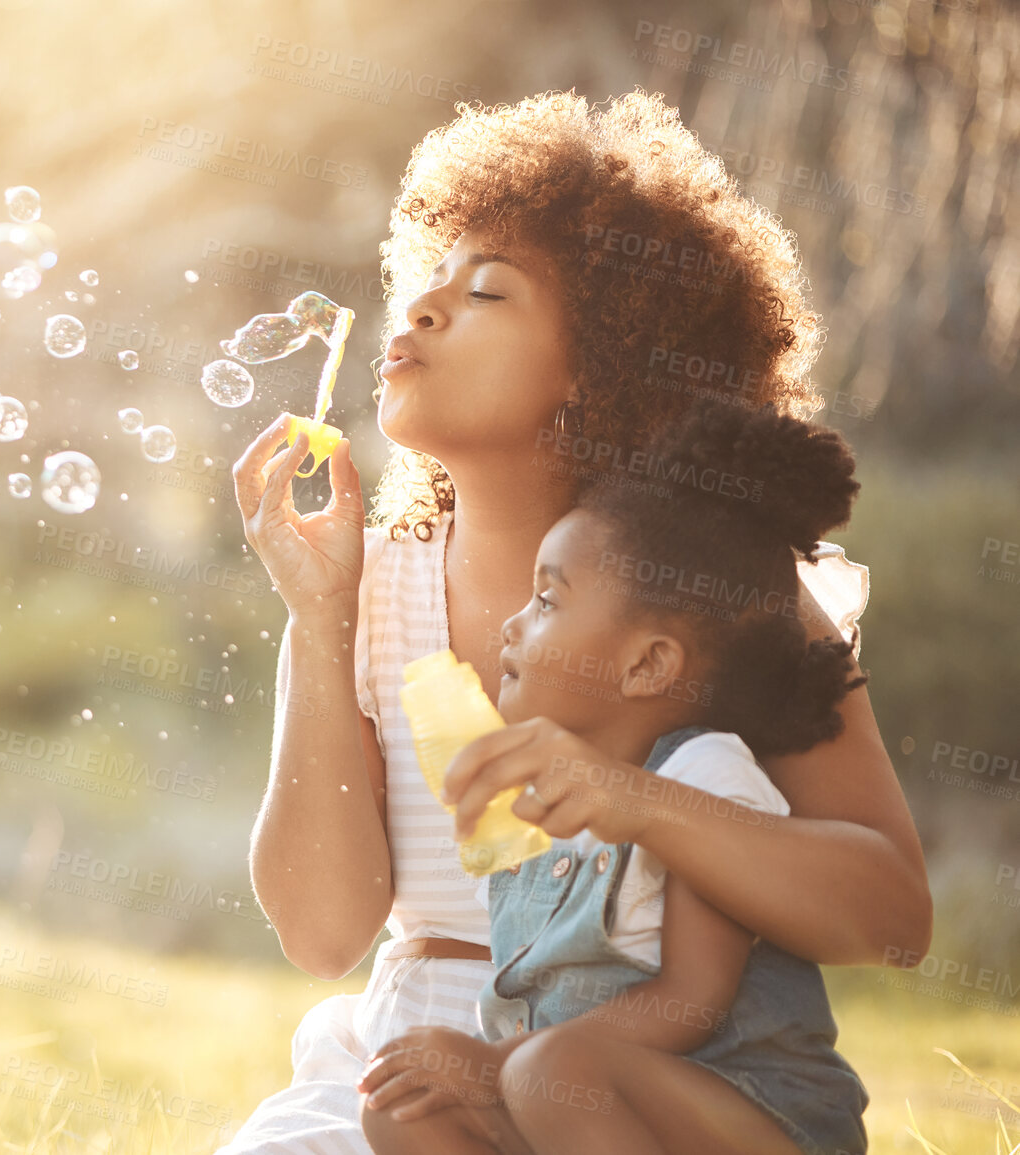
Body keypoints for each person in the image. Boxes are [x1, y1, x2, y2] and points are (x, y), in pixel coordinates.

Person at [224, 89, 927, 1155]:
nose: (420, 308)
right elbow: (324, 935)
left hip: (648, 1082)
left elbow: (890, 915)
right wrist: (317, 620)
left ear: (599, 371)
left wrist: (627, 796)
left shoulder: (718, 593)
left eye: (486, 292)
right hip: (406, 1070)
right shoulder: (363, 593)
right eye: (429, 278)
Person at [357, 399, 872, 1155]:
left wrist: (497, 1064)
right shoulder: (541, 800)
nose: (511, 622)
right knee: (401, 1106)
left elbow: (693, 1000)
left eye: (546, 599)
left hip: (756, 1113)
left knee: (544, 1070)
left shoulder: (703, 775)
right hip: (586, 1108)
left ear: (646, 664)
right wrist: (469, 1061)